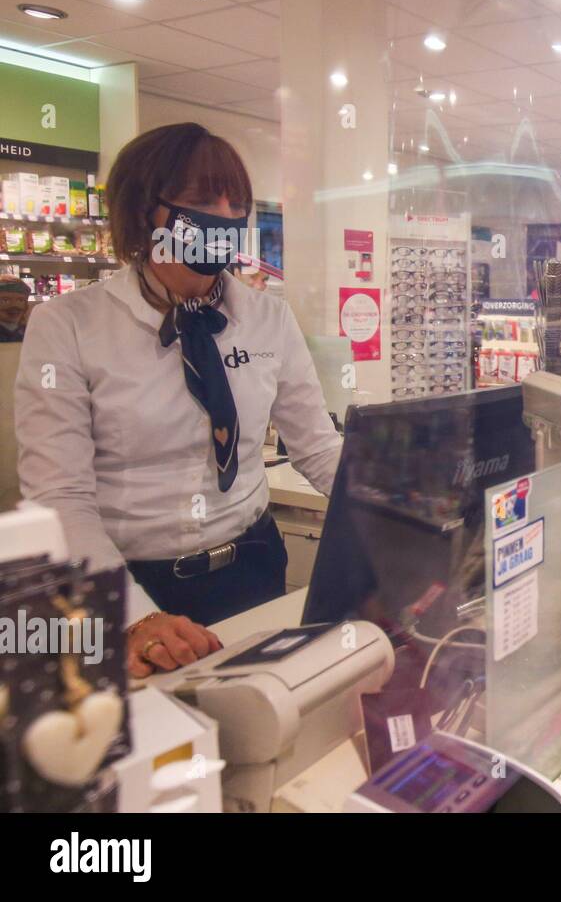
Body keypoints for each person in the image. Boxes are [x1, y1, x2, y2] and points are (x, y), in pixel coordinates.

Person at [14, 123, 342, 677]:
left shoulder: (268, 319)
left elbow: (318, 448)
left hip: (255, 564)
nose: (223, 215)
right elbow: (60, 496)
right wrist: (133, 618)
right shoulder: (67, 326)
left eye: (234, 202)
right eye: (199, 200)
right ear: (144, 210)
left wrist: (405, 505)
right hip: (131, 585)